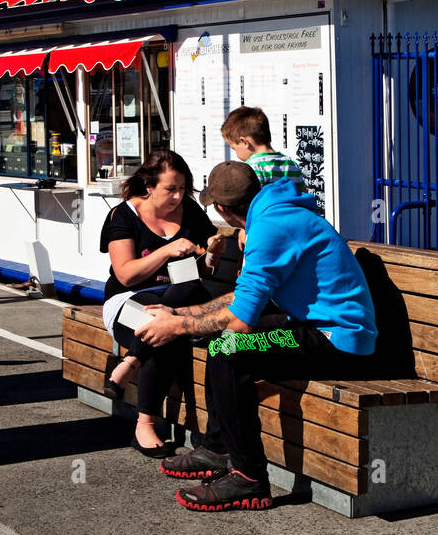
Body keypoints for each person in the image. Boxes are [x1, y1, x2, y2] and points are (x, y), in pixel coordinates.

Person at [136, 161, 378, 511]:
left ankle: (249, 477)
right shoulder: (274, 214)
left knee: (230, 350)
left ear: (222, 209)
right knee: (224, 345)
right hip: (314, 325)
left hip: (337, 337)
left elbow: (242, 322)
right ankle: (219, 449)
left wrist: (177, 327)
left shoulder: (270, 227)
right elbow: (242, 297)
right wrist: (182, 314)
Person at [99, 149, 222, 457]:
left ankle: (130, 362)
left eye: (183, 188)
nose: (179, 196)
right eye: (171, 189)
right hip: (128, 301)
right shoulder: (123, 216)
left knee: (180, 301)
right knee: (163, 332)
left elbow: (203, 269)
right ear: (149, 186)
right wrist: (165, 252)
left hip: (181, 303)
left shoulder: (190, 211)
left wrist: (211, 254)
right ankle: (145, 425)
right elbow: (125, 275)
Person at [221, 106, 304, 189]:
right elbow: (303, 194)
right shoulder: (292, 164)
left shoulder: (251, 169)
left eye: (234, 148)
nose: (236, 154)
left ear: (244, 142)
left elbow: (250, 199)